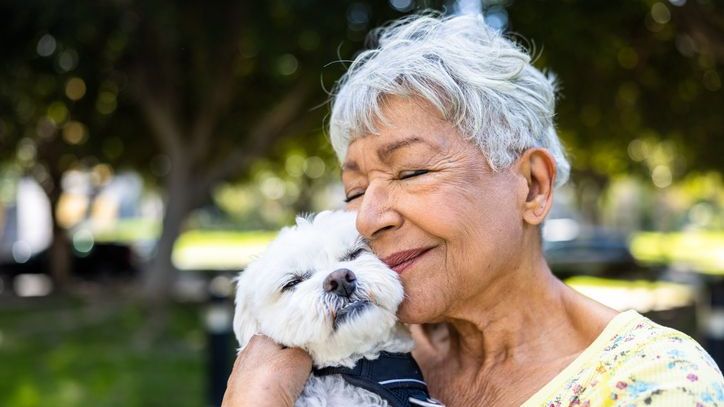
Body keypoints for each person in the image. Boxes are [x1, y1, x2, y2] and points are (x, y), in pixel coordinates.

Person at [222, 13, 724, 407]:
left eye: (412, 172)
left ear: (532, 186)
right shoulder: (354, 346)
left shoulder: (653, 384)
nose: (370, 217)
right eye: (354, 191)